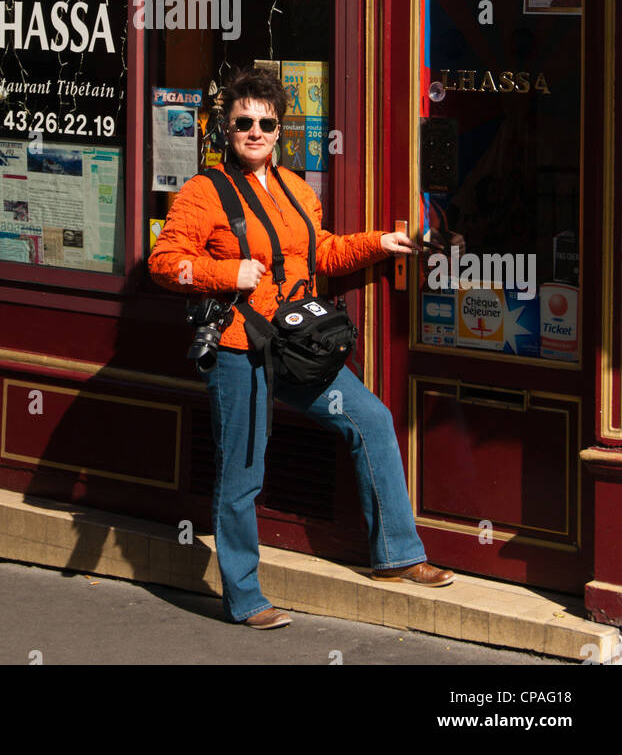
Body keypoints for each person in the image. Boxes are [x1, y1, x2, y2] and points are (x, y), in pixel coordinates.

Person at [148, 65, 454, 628]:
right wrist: (224, 272)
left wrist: (379, 243)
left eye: (267, 122)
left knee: (372, 419)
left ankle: (397, 554)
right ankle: (243, 596)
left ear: (280, 128)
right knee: (243, 470)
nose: (256, 131)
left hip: (294, 345)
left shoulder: (294, 187)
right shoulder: (203, 192)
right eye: (244, 122)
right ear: (227, 128)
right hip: (241, 349)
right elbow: (164, 264)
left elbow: (323, 254)